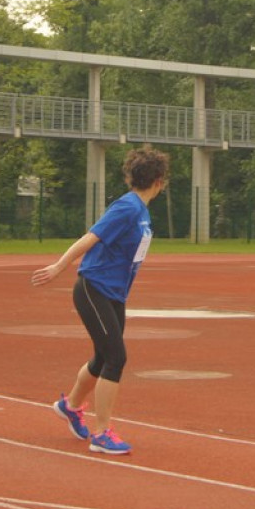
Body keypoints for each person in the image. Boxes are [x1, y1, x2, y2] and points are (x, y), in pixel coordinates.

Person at [31, 147, 169, 455]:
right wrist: (58, 266)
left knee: (103, 357)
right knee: (116, 358)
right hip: (94, 289)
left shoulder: (140, 210)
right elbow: (90, 237)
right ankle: (102, 432)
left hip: (114, 294)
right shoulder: (128, 208)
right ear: (159, 181)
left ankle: (70, 406)